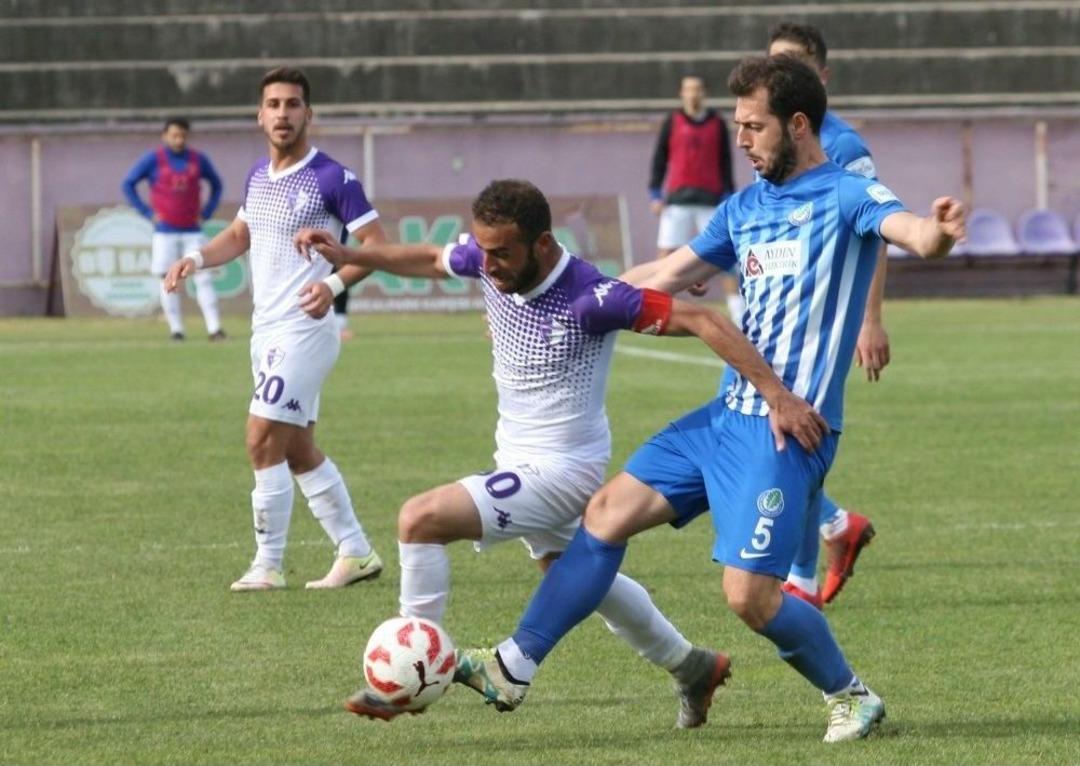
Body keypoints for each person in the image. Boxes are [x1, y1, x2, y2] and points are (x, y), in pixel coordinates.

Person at [457, 57, 965, 743]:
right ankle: (514, 665)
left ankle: (852, 696)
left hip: (790, 430)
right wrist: (565, 300)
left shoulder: (846, 195)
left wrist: (937, 232)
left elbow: (911, 233)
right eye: (738, 127)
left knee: (749, 596)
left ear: (797, 124)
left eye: (755, 127)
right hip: (726, 416)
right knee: (605, 513)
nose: (743, 141)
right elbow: (664, 274)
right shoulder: (744, 209)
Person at [294, 178, 828, 725]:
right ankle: (693, 666)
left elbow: (704, 319)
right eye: (484, 251)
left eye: (502, 253)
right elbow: (432, 257)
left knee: (419, 518)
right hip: (517, 461)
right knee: (572, 577)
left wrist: (776, 395)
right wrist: (351, 255)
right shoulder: (487, 261)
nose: (489, 265)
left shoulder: (591, 298)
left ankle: (411, 665)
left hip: (562, 473)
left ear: (542, 245)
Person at [164, 67, 385, 591]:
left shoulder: (333, 177)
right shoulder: (257, 177)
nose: (282, 114)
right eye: (274, 104)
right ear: (259, 115)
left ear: (309, 114)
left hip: (305, 330)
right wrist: (196, 257)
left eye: (292, 104)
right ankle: (356, 552)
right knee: (295, 448)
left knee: (260, 436)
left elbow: (375, 247)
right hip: (266, 332)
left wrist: (331, 286)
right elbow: (240, 234)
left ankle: (268, 563)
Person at [765, 22, 890, 606]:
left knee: (794, 434)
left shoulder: (843, 148)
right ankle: (836, 526)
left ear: (821, 74)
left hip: (823, 323)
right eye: (771, 66)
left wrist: (870, 319)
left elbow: (877, 232)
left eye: (789, 66)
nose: (777, 78)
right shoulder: (774, 136)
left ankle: (803, 579)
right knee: (775, 433)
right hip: (780, 312)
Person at [122, 117, 226, 341]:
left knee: (203, 277)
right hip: (164, 232)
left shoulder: (198, 159)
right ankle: (176, 330)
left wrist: (206, 213)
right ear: (165, 136)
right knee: (166, 279)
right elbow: (128, 183)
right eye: (174, 135)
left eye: (183, 136)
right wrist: (147, 213)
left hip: (193, 230)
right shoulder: (153, 159)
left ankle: (214, 329)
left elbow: (217, 185)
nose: (179, 140)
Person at [648, 75, 741, 316]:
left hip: (711, 201)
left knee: (727, 259)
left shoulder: (717, 123)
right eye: (689, 90)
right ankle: (651, 311)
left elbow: (725, 162)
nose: (693, 94)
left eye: (698, 89)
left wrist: (729, 195)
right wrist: (656, 193)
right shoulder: (673, 120)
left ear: (705, 93)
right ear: (682, 93)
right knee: (665, 258)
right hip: (677, 201)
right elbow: (660, 158)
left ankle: (739, 315)